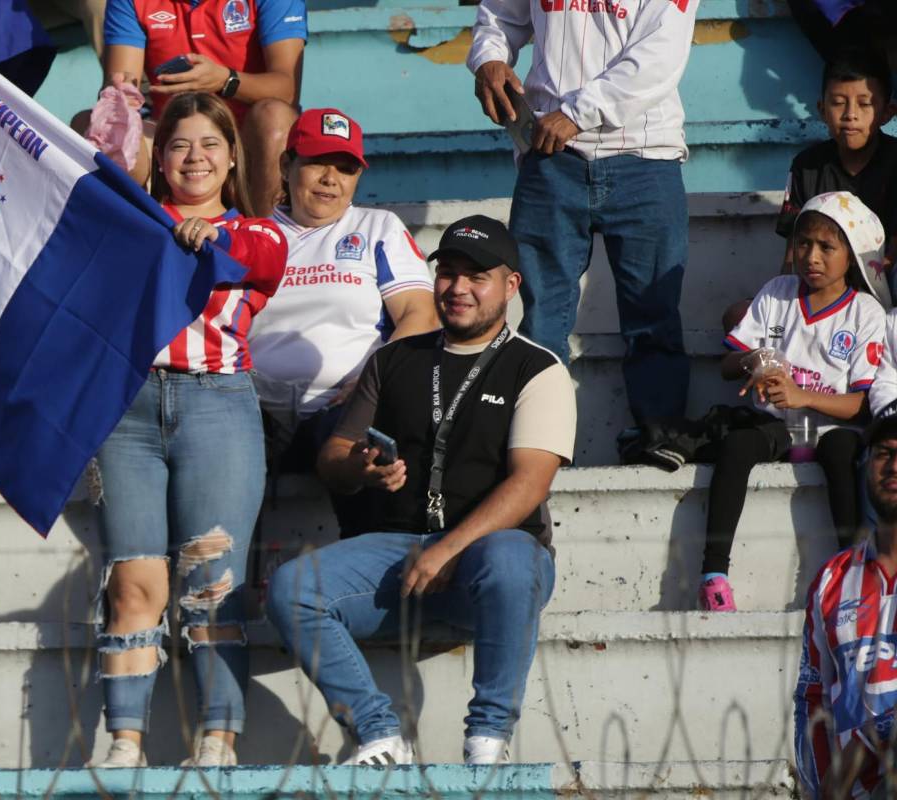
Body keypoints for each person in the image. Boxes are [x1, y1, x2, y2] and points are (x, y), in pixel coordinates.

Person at [266, 215, 575, 766]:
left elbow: (531, 481)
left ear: (511, 286)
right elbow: (333, 456)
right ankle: (379, 734)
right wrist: (359, 468)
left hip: (487, 565)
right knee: (292, 587)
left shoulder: (537, 367)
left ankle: (488, 739)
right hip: (397, 560)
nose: (458, 289)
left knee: (511, 559)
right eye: (448, 273)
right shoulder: (393, 360)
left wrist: (449, 547)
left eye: (477, 277)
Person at [89, 91, 286, 769]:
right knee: (132, 586)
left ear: (233, 158)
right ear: (159, 160)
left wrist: (213, 236)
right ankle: (123, 744)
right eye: (179, 146)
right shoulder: (131, 227)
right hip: (129, 413)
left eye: (209, 145)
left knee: (212, 584)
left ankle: (218, 744)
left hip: (217, 409)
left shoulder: (259, 231)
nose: (195, 158)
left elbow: (257, 261)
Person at [469, 0, 697, 425]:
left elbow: (658, 58)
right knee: (541, 319)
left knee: (653, 313)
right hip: (550, 154)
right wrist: (490, 57)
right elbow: (499, 16)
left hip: (644, 156)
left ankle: (659, 436)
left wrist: (576, 113)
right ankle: (537, 443)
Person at [248, 107, 438, 532]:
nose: (331, 178)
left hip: (346, 405)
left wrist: (372, 380)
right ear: (286, 164)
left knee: (372, 449)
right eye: (317, 162)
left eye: (346, 168)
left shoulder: (377, 227)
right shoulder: (253, 234)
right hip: (255, 411)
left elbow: (419, 314)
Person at [708, 192, 888, 612]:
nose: (812, 256)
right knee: (736, 446)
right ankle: (713, 574)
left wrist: (801, 394)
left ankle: (853, 574)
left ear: (853, 256)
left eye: (827, 247)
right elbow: (726, 365)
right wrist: (753, 361)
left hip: (830, 428)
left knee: (845, 451)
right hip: (776, 423)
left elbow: (862, 406)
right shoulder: (777, 292)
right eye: (804, 243)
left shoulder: (865, 313)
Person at [722, 48, 896, 333]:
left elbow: (891, 255)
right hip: (818, 288)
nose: (851, 115)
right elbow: (793, 253)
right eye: (839, 103)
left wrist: (850, 293)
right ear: (822, 109)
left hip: (880, 290)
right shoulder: (808, 165)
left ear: (887, 112)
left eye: (865, 104)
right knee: (737, 317)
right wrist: (784, 308)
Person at [99, 0, 306, 212]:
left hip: (247, 139)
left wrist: (225, 81)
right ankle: (136, 235)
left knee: (276, 117)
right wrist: (119, 97)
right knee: (106, 125)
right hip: (172, 137)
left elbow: (287, 90)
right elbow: (121, 90)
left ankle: (266, 236)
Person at [794, 413, 897, 798]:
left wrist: (872, 736)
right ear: (865, 467)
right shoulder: (831, 580)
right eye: (884, 454)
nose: (894, 465)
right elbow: (811, 701)